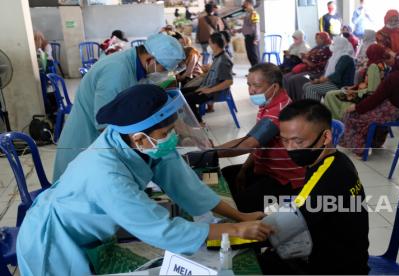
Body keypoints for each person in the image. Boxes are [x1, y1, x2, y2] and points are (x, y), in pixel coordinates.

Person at [17, 84, 272, 275]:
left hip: (87, 233)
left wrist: (241, 217)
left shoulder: (151, 145)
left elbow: (190, 189)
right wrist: (233, 230)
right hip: (53, 240)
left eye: (173, 130)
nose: (171, 137)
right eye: (166, 132)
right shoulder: (106, 173)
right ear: (138, 138)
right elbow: (162, 231)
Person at [53, 34, 185, 181]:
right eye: (164, 69)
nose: (165, 74)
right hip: (85, 146)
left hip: (101, 152)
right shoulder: (117, 72)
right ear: (150, 60)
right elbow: (107, 125)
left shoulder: (134, 66)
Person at [258, 100, 369, 275]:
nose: (290, 149)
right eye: (285, 141)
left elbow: (280, 228)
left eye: (298, 141)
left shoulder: (328, 174)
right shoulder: (337, 160)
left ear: (326, 137)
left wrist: (227, 234)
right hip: (345, 254)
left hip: (335, 267)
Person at [219, 63, 306, 213]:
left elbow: (249, 143)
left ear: (275, 87)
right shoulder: (268, 105)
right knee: (227, 175)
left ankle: (253, 229)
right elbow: (259, 144)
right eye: (249, 85)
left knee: (242, 203)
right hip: (267, 168)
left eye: (256, 86)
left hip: (284, 178)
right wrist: (245, 168)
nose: (251, 90)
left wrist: (210, 152)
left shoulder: (280, 111)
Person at [340, 49, 399, 157]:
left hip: (390, 113)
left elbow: (376, 98)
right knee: (370, 113)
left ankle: (360, 149)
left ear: (397, 61)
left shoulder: (393, 77)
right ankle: (376, 143)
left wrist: (357, 107)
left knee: (351, 115)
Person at [325, 44, 388, 120]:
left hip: (364, 95)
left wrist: (353, 91)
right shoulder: (383, 64)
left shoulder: (374, 66)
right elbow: (370, 84)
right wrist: (354, 87)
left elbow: (372, 90)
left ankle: (337, 119)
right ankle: (337, 118)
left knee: (330, 95)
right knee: (334, 94)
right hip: (364, 92)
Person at [181, 32, 233, 124]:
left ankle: (199, 123)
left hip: (214, 92)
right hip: (208, 87)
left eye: (210, 43)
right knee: (181, 92)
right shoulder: (217, 56)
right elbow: (216, 74)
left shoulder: (223, 60)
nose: (208, 45)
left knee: (186, 99)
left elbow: (229, 81)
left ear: (215, 44)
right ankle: (191, 119)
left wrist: (209, 90)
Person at [303, 37, 355, 102]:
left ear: (340, 45)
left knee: (311, 89)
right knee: (306, 85)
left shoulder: (346, 58)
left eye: (334, 44)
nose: (332, 45)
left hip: (340, 85)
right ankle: (306, 108)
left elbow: (337, 75)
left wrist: (320, 80)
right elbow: (328, 72)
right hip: (333, 82)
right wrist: (321, 79)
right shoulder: (337, 55)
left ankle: (315, 110)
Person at [283, 32, 332, 100]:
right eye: (316, 38)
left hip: (316, 73)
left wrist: (306, 60)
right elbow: (308, 56)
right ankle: (288, 99)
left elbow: (317, 64)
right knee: (285, 77)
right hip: (307, 69)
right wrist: (305, 58)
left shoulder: (327, 50)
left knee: (295, 79)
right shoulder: (316, 47)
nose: (316, 40)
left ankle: (299, 100)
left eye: (318, 38)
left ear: (323, 39)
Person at [235, 0, 261, 66]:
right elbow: (246, 28)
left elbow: (256, 26)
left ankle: (257, 73)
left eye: (245, 4)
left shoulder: (254, 14)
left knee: (254, 57)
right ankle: (254, 71)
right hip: (248, 38)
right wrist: (236, 31)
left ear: (250, 4)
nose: (243, 6)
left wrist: (256, 38)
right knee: (250, 57)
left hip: (253, 38)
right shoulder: (248, 14)